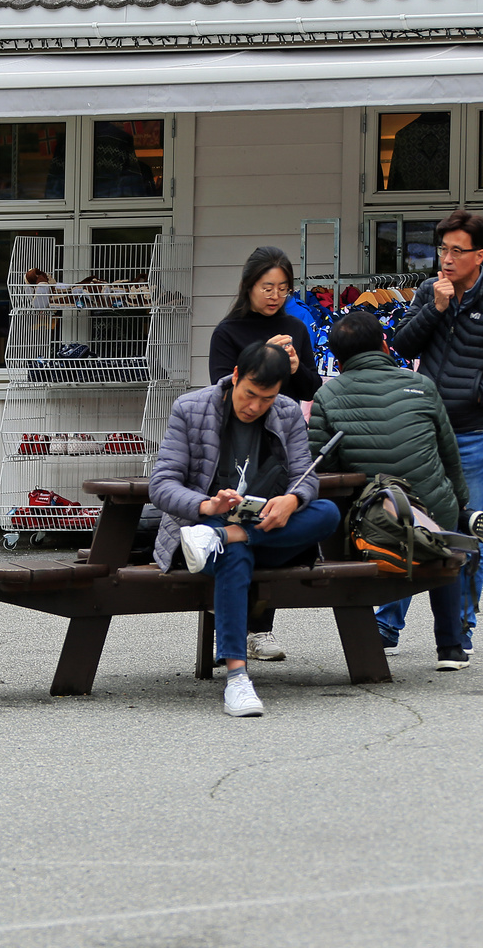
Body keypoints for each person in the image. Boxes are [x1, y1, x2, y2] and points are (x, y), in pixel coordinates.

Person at [149, 342, 340, 717]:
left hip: (266, 526)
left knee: (328, 512)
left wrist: (292, 500)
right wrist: (207, 506)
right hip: (202, 527)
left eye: (266, 399)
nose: (255, 406)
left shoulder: (286, 413)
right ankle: (237, 677)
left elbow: (306, 476)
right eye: (249, 394)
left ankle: (228, 537)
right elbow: (162, 484)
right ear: (235, 377)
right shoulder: (192, 408)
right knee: (234, 553)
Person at [388, 210, 483, 653]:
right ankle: (385, 626)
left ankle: (461, 630)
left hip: (474, 431)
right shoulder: (430, 292)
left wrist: (481, 392)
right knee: (402, 523)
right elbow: (403, 346)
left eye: (456, 251)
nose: (446, 260)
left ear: (479, 255)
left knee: (468, 530)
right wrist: (435, 308)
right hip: (423, 432)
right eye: (441, 250)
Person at [307, 309, 473, 670]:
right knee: (443, 540)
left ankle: (376, 633)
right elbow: (449, 455)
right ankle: (451, 647)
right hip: (432, 513)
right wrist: (459, 504)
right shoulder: (422, 384)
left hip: (374, 522)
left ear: (337, 357)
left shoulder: (329, 394)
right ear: (384, 344)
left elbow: (322, 467)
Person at [206, 246, 322, 663]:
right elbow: (218, 386)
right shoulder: (229, 330)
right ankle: (237, 623)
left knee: (275, 515)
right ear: (249, 286)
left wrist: (291, 367)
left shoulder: (297, 325)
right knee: (242, 514)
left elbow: (312, 388)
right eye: (266, 287)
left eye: (283, 288)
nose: (275, 296)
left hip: (282, 439)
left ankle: (261, 628)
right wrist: (261, 361)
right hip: (236, 444)